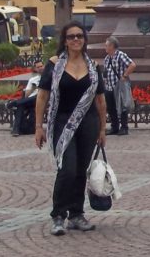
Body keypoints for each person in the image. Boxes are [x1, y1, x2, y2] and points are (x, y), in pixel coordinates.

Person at [35, 22, 107, 236]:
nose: (76, 40)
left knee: (80, 171)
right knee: (67, 169)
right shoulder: (55, 64)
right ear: (64, 41)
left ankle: (76, 214)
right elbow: (42, 96)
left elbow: (100, 100)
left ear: (84, 39)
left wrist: (103, 129)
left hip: (88, 123)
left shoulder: (93, 66)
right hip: (62, 122)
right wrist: (38, 126)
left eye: (79, 36)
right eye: (71, 37)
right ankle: (58, 215)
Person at [101, 35, 135, 136]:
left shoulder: (121, 55)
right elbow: (106, 71)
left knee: (122, 105)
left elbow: (132, 65)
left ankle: (124, 127)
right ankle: (114, 127)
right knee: (111, 107)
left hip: (119, 86)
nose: (105, 47)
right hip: (109, 86)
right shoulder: (107, 58)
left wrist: (124, 75)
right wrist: (104, 81)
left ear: (112, 45)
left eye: (106, 45)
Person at [10, 61, 45, 137]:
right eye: (38, 67)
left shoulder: (48, 77)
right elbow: (26, 95)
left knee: (22, 104)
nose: (40, 68)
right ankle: (16, 130)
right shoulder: (33, 80)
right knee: (21, 105)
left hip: (42, 99)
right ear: (35, 69)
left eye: (41, 66)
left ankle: (15, 103)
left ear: (44, 66)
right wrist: (33, 88)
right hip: (30, 101)